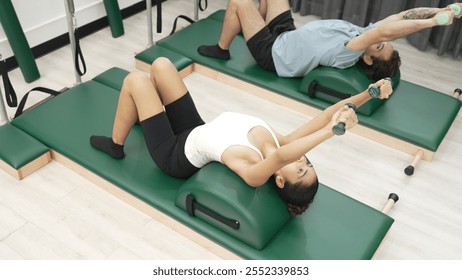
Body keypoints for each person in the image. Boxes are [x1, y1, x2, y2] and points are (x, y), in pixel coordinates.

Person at [90, 57, 393, 216]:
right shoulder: (281, 143)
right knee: (161, 66)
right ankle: (147, 117)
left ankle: (116, 145)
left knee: (136, 80)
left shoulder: (257, 172)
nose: (303, 160)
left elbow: (282, 156)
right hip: (195, 128)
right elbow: (326, 115)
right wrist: (369, 93)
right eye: (309, 165)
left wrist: (332, 133)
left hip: (174, 154)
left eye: (300, 170)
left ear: (280, 180)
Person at [198, 0, 460, 80]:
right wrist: (439, 11)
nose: (380, 38)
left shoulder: (350, 53)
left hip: (274, 55)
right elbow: (400, 16)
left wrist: (430, 25)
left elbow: (385, 33)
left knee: (239, 2)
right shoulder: (361, 33)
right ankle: (252, 27)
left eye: (379, 46)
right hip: (288, 34)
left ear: (368, 58)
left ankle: (222, 49)